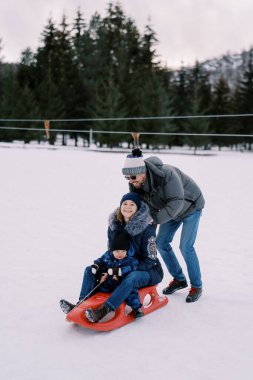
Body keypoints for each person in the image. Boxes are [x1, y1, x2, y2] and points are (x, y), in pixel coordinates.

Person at [60, 192, 163, 322]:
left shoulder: (147, 229)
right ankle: (81, 304)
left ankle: (104, 310)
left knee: (131, 277)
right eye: (125, 204)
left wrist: (123, 270)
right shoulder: (114, 226)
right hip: (120, 266)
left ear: (138, 208)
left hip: (148, 270)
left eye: (132, 204)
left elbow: (150, 260)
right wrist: (106, 270)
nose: (128, 207)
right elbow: (112, 252)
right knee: (90, 270)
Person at [122, 148, 205, 303]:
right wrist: (143, 232)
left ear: (142, 172)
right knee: (161, 243)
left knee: (186, 247)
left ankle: (196, 286)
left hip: (191, 206)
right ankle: (179, 279)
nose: (131, 181)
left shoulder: (166, 174)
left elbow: (177, 201)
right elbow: (143, 207)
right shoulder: (136, 184)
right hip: (170, 210)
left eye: (132, 176)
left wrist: (154, 220)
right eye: (127, 177)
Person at [60, 230, 144, 320]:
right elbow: (101, 261)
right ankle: (81, 302)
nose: (120, 254)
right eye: (117, 251)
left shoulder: (131, 259)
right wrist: (96, 266)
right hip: (107, 284)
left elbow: (131, 268)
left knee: (130, 289)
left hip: (120, 286)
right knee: (89, 270)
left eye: (123, 251)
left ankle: (136, 309)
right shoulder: (109, 255)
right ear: (112, 250)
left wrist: (118, 272)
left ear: (127, 250)